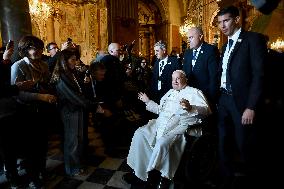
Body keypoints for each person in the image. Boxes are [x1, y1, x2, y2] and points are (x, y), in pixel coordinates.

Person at [124, 70, 211, 189]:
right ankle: (139, 172)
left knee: (162, 143)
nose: (175, 81)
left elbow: (206, 110)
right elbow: (160, 110)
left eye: (178, 78)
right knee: (140, 134)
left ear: (186, 80)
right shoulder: (170, 92)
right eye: (173, 79)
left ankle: (158, 177)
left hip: (180, 127)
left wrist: (191, 107)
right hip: (159, 124)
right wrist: (148, 101)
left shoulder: (194, 92)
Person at [216, 6, 267, 188]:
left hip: (242, 104)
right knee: (223, 144)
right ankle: (227, 180)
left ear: (236, 19)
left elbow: (259, 75)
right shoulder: (224, 46)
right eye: (220, 22)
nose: (222, 26)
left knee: (245, 147)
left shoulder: (252, 40)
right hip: (223, 101)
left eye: (226, 21)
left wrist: (251, 106)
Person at [11, 35, 57, 188]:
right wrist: (40, 96)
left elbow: (49, 83)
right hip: (27, 113)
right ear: (24, 50)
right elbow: (15, 93)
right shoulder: (18, 66)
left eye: (38, 47)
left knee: (43, 145)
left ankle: (42, 171)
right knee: (30, 148)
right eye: (32, 48)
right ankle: (33, 178)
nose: (36, 50)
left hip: (43, 111)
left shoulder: (43, 65)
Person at [183, 26, 220, 112]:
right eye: (188, 38)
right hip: (190, 96)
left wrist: (211, 99)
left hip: (205, 97)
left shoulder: (211, 50)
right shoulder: (187, 53)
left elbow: (214, 78)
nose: (188, 40)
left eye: (191, 37)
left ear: (200, 37)